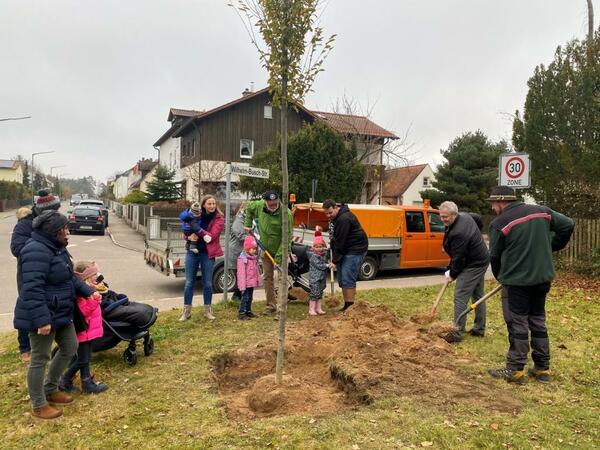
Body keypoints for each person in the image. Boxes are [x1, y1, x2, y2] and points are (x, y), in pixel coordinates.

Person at [486, 186, 574, 384]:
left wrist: (502, 276)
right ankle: (542, 369)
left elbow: (494, 255)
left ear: (500, 202)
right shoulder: (542, 211)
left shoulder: (499, 223)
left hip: (518, 282)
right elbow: (568, 224)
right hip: (543, 278)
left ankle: (515, 370)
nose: (492, 207)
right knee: (537, 320)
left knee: (518, 323)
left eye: (492, 203)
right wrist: (552, 245)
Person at [13, 210, 96, 419]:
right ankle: (38, 403)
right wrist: (42, 319)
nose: (68, 233)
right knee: (39, 358)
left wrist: (90, 292)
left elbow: (69, 278)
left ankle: (51, 388)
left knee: (70, 346)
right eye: (65, 229)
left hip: (61, 312)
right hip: (42, 314)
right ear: (54, 231)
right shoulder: (35, 251)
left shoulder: (56, 249)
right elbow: (31, 288)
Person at [10, 191, 62, 364]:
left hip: (50, 273)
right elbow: (16, 248)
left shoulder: (53, 222)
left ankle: (47, 343)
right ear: (40, 210)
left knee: (49, 305)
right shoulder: (25, 224)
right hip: (29, 271)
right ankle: (25, 348)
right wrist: (41, 243)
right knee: (28, 305)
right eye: (51, 211)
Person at [438, 201, 490, 343]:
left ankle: (456, 333)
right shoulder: (466, 216)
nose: (442, 219)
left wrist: (452, 274)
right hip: (480, 258)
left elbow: (458, 259)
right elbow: (479, 218)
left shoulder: (459, 233)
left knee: (460, 295)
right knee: (478, 295)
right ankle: (479, 329)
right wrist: (476, 235)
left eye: (445, 217)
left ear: (454, 215)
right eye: (441, 216)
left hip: (474, 264)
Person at [59, 261, 109, 394]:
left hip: (90, 331)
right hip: (84, 332)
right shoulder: (81, 294)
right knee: (82, 359)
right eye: (94, 275)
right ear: (85, 278)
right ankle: (65, 379)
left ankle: (87, 383)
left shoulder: (90, 290)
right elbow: (83, 312)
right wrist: (94, 300)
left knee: (86, 358)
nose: (97, 277)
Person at [244, 190, 293, 316]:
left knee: (282, 279)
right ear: (265, 202)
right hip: (265, 248)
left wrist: (279, 256)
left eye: (275, 203)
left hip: (280, 249)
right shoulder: (259, 205)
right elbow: (248, 207)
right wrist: (248, 224)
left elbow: (286, 238)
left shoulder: (286, 213)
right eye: (270, 204)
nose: (272, 206)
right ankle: (271, 306)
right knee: (267, 277)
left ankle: (281, 310)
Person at [179, 195, 224, 321]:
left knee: (208, 283)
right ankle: (186, 312)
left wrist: (197, 230)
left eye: (213, 204)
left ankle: (207, 311)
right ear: (203, 204)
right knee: (189, 283)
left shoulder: (219, 218)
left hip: (207, 254)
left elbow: (212, 236)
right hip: (191, 252)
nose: (212, 206)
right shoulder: (196, 213)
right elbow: (184, 230)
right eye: (209, 204)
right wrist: (188, 237)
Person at [322, 199, 368, 311]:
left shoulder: (344, 219)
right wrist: (330, 255)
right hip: (346, 249)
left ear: (336, 207)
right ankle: (347, 305)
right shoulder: (335, 219)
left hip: (355, 250)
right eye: (326, 213)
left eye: (330, 212)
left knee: (348, 278)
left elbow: (340, 242)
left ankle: (350, 307)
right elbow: (334, 239)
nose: (328, 215)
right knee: (342, 279)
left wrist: (335, 261)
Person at [236, 235, 261, 320]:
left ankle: (248, 311)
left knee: (250, 297)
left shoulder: (253, 259)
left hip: (251, 284)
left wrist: (257, 281)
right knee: (245, 298)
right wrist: (242, 286)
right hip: (245, 284)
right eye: (252, 249)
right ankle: (242, 312)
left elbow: (256, 272)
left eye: (255, 249)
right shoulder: (242, 259)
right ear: (247, 248)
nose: (254, 250)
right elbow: (241, 274)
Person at [228, 203, 248, 302]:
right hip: (236, 253)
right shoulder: (239, 221)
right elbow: (240, 236)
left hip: (241, 252)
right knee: (240, 276)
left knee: (243, 276)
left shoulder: (245, 220)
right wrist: (254, 239)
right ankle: (236, 297)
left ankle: (238, 297)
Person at [307, 230, 329, 316]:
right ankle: (311, 309)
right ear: (313, 248)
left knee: (320, 293)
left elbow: (327, 251)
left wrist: (328, 247)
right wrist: (327, 265)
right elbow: (319, 265)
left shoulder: (323, 254)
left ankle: (318, 308)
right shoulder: (313, 256)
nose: (319, 248)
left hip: (321, 278)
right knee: (314, 293)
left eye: (321, 246)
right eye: (317, 247)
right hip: (315, 279)